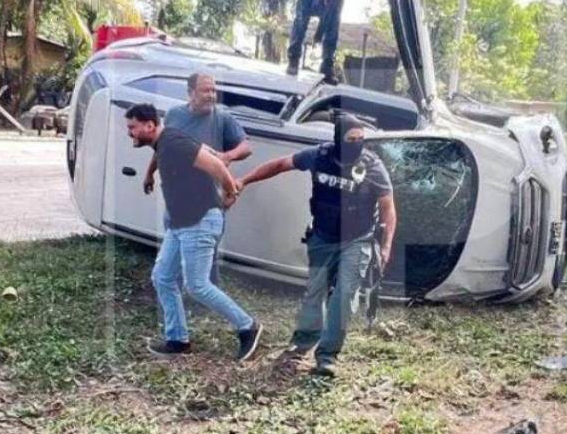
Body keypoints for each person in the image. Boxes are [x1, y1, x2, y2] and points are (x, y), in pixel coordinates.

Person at [239, 114, 397, 377]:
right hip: (323, 237)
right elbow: (280, 164)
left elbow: (388, 207)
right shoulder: (318, 156)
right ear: (337, 139)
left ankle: (327, 356)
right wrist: (244, 181)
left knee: (345, 295)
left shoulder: (372, 166)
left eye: (361, 139)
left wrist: (386, 245)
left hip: (356, 239)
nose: (357, 143)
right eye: (351, 139)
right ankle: (303, 342)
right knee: (315, 292)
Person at [125, 103, 263, 362]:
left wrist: (230, 192)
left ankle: (248, 326)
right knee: (163, 277)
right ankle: (177, 340)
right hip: (181, 223)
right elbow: (162, 155)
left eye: (132, 127)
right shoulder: (164, 142)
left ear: (150, 125)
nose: (129, 133)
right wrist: (149, 174)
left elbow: (216, 165)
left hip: (200, 221)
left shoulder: (174, 141)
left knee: (197, 285)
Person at [144, 72, 251, 284]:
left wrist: (227, 156)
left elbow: (247, 147)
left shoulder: (222, 118)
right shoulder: (174, 115)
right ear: (191, 93)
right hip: (177, 198)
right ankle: (174, 287)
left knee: (206, 254)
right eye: (206, 90)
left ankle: (205, 298)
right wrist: (149, 173)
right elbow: (162, 146)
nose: (212, 95)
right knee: (174, 246)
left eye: (214, 90)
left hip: (209, 201)